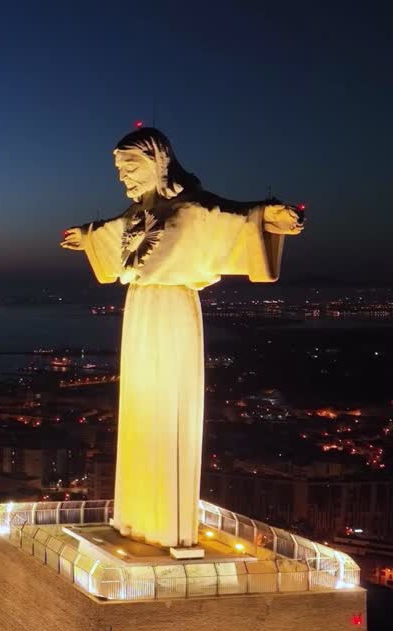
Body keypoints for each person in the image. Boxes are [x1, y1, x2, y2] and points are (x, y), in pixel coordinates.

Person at [60, 127, 304, 548]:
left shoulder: (194, 207)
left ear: (159, 163)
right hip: (139, 310)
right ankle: (135, 519)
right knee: (140, 407)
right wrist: (84, 238)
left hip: (174, 311)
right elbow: (106, 231)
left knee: (166, 408)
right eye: (118, 170)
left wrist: (272, 217)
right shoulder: (135, 215)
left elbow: (239, 215)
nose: (123, 178)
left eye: (131, 166)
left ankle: (166, 524)